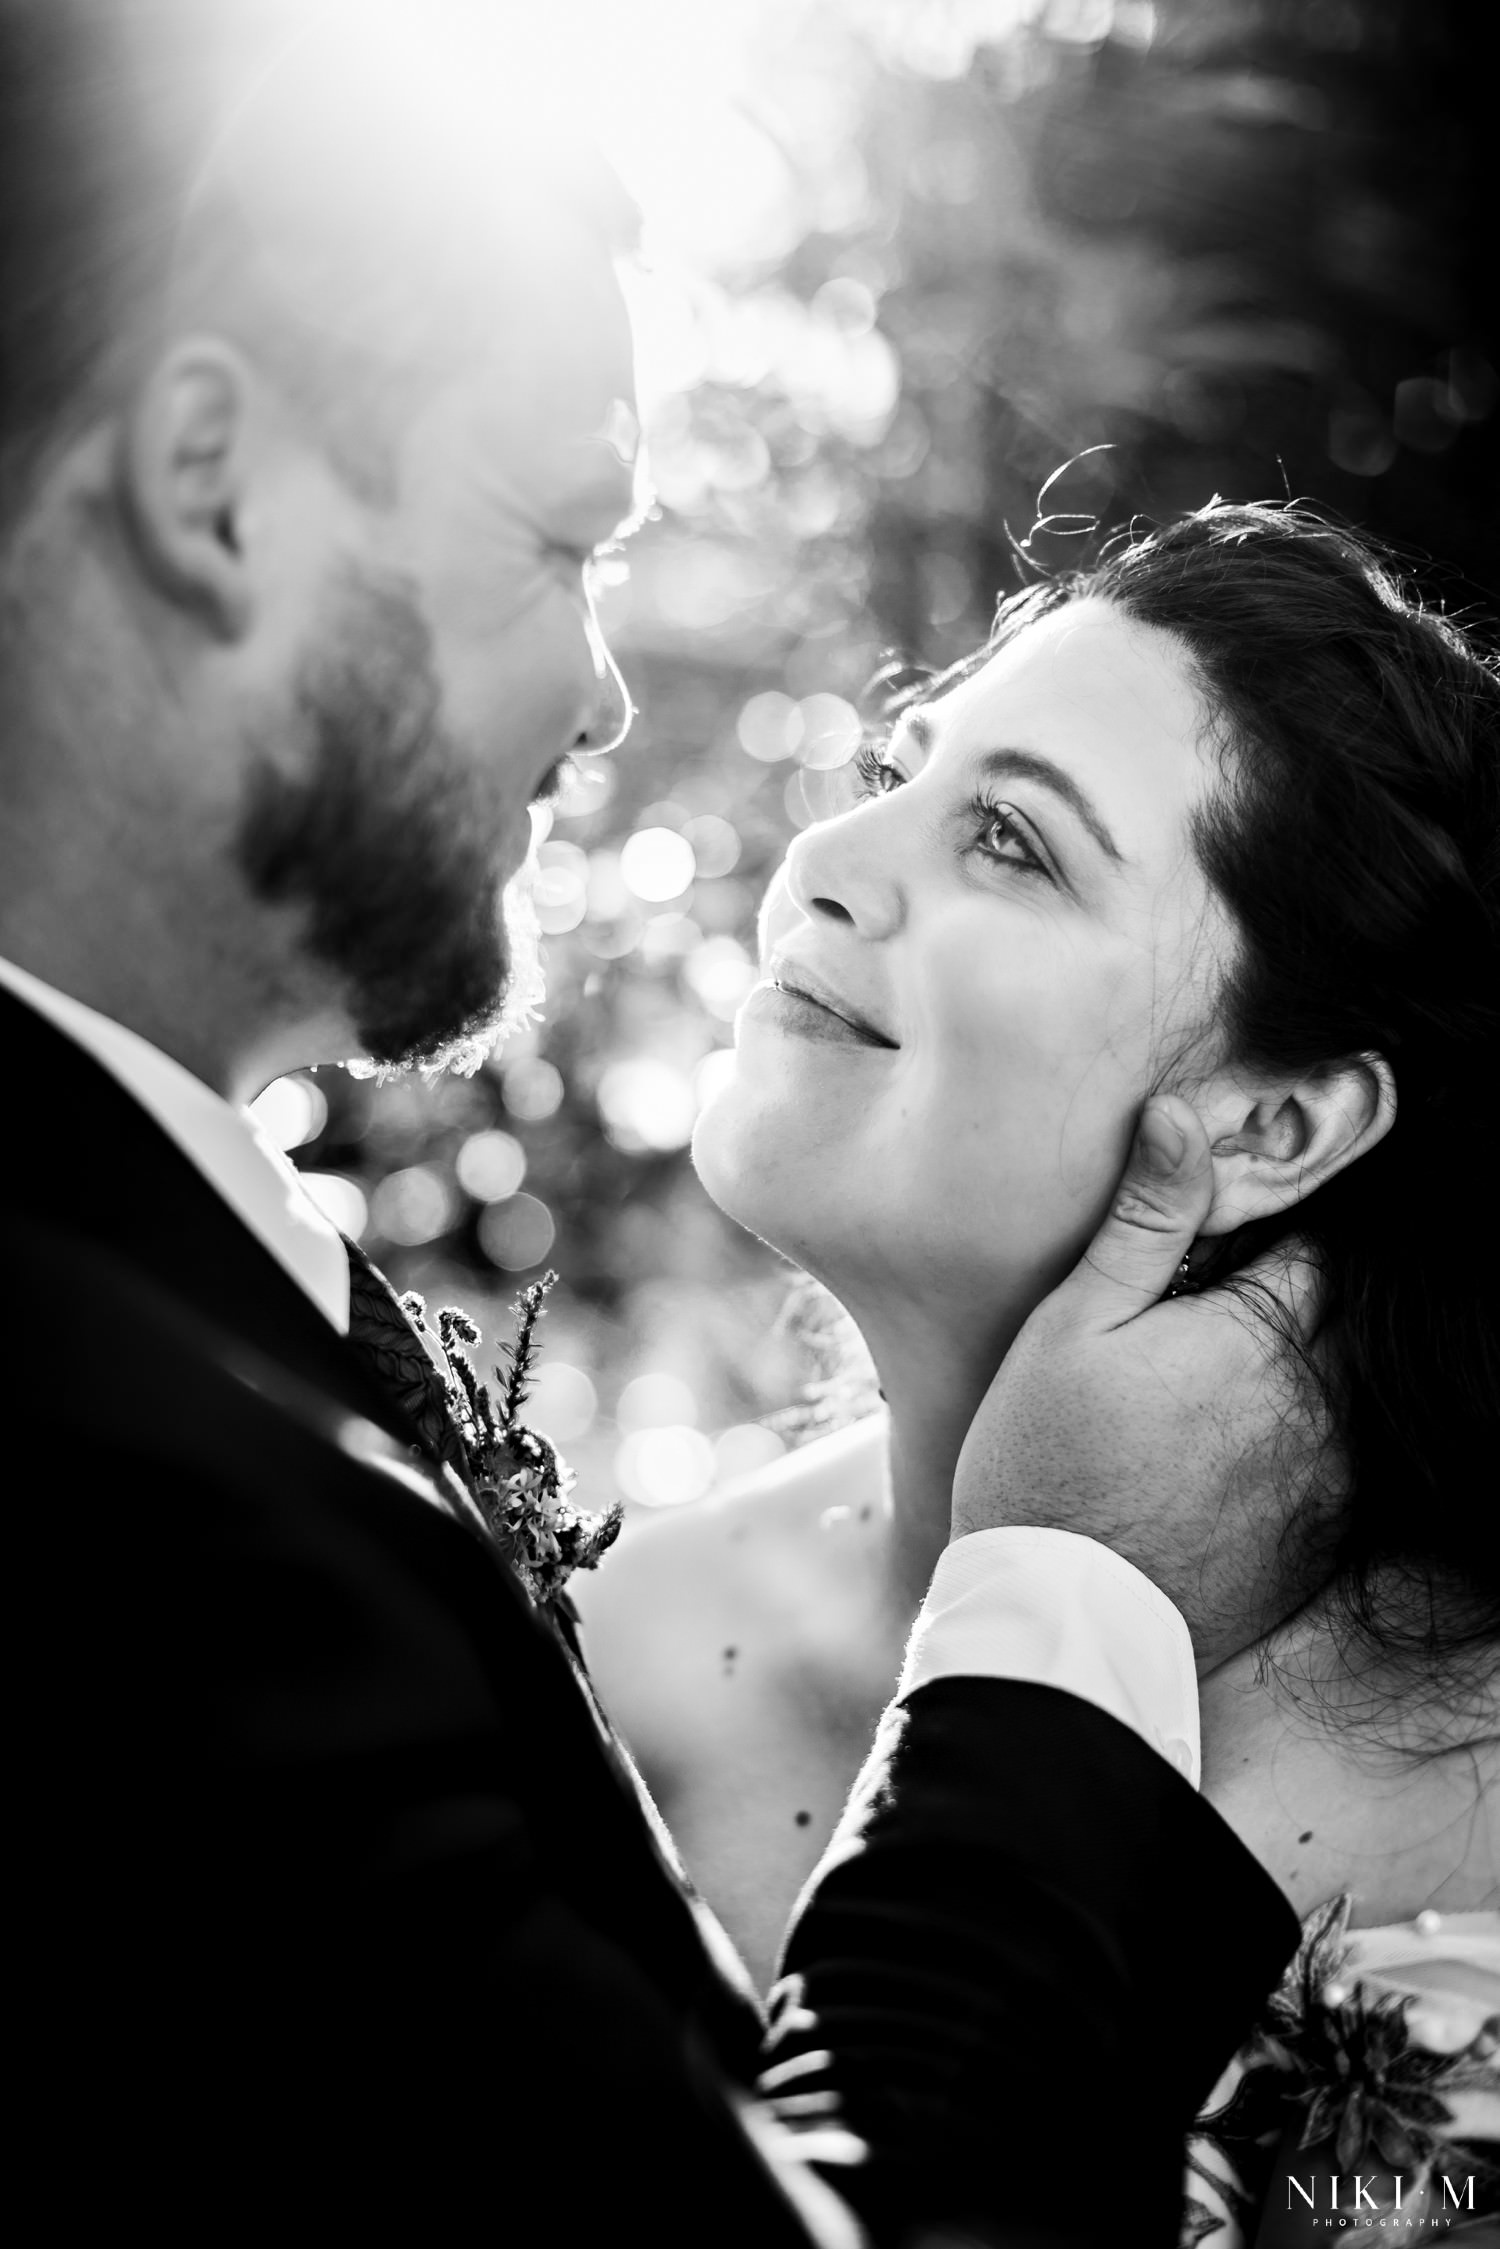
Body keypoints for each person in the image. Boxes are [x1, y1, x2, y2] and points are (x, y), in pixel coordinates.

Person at [5, 8, 1305, 2241]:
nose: (605, 690)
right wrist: (1062, 1600)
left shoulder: (177, 1283)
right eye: (552, 540)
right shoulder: (94, 1472)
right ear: (211, 485)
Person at [576, 503, 1500, 2237]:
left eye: (1007, 838)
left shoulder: (1473, 1824)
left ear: (1271, 1121)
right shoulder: (617, 1646)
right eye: (895, 769)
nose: (826, 855)